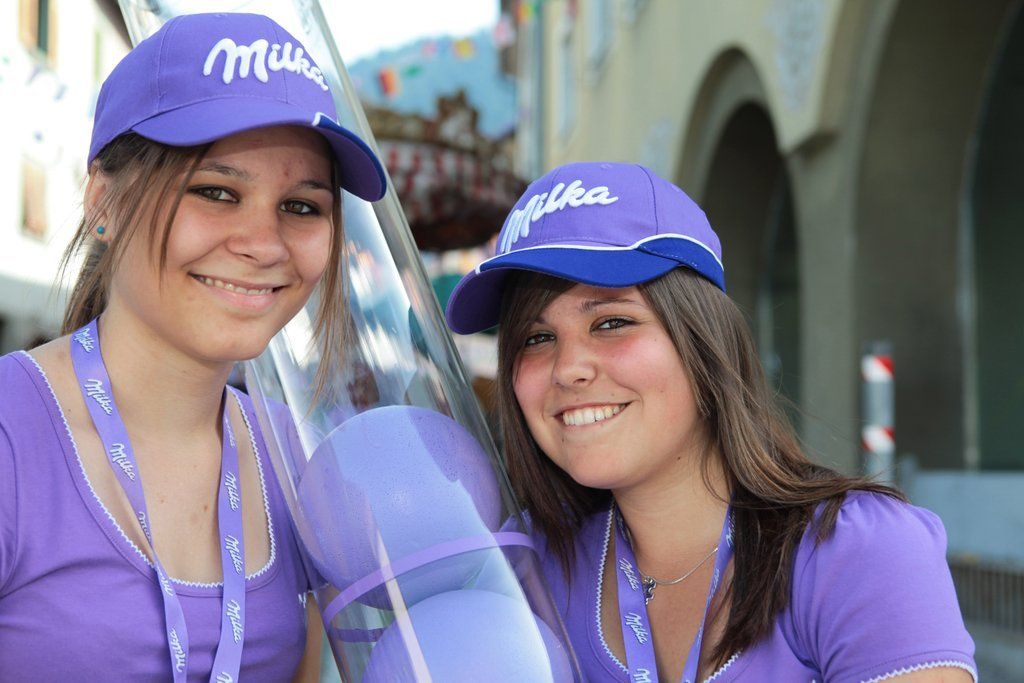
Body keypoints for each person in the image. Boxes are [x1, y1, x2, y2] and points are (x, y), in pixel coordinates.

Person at [445, 162, 976, 682]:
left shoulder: (856, 552)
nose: (568, 369)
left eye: (611, 322)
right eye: (537, 338)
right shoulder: (524, 571)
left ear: (704, 342)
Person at [0, 12, 386, 682]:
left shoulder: (295, 460)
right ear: (103, 203)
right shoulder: (12, 434)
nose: (263, 244)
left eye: (301, 206)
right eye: (216, 191)